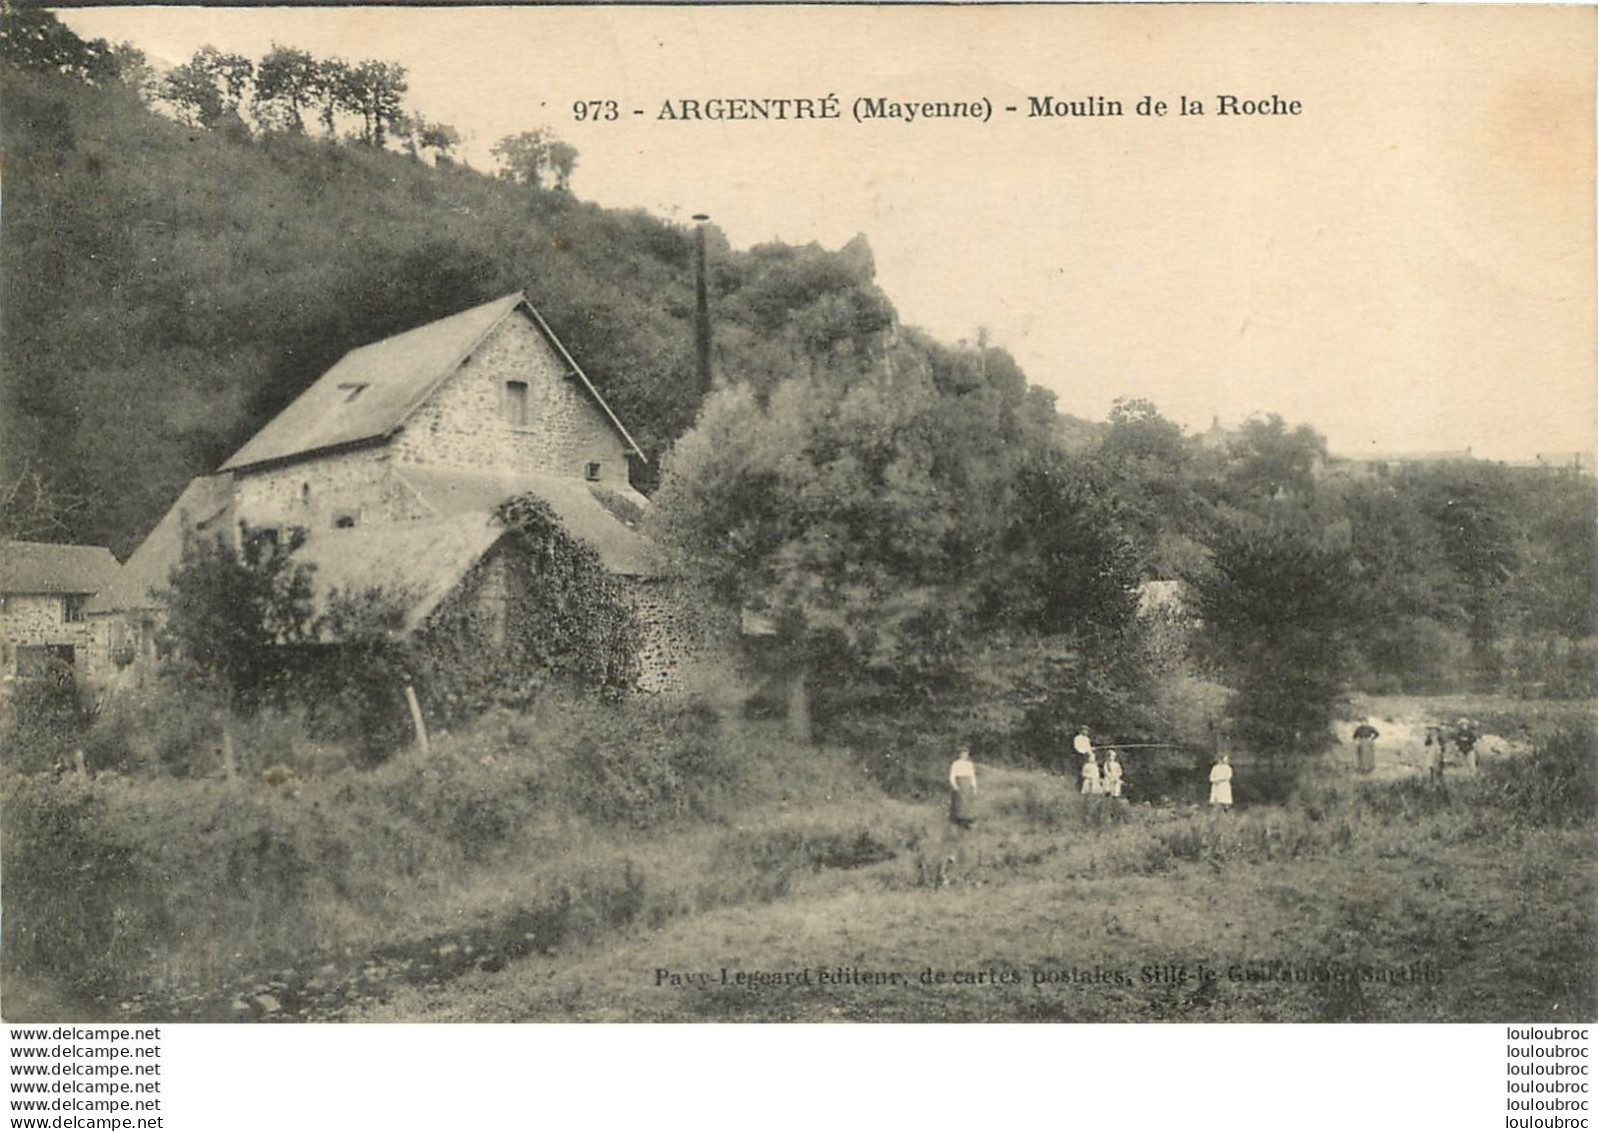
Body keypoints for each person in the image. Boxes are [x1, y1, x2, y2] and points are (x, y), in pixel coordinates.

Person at [948, 746, 978, 828]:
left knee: (968, 802)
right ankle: (958, 821)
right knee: (959, 802)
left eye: (966, 754)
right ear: (960, 754)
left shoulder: (969, 764)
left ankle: (967, 821)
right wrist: (955, 786)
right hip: (960, 783)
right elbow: (952, 776)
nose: (965, 755)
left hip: (968, 784)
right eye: (963, 754)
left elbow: (972, 776)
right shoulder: (956, 764)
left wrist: (974, 786)